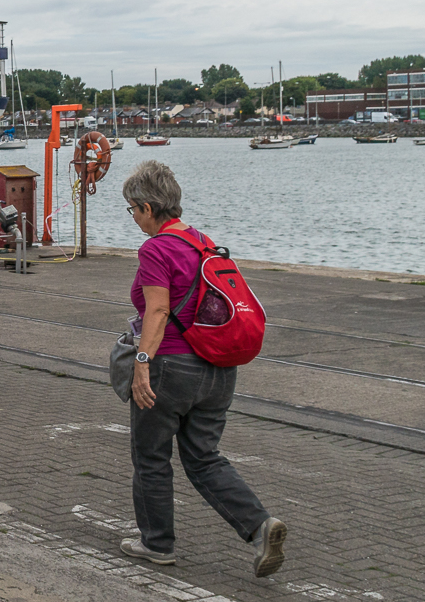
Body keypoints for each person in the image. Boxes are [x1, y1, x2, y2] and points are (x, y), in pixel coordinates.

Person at [119, 160, 287, 578]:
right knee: (204, 458)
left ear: (147, 207)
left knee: (151, 457)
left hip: (171, 368)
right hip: (218, 370)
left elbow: (158, 311)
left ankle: (156, 544)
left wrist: (142, 363)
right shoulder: (203, 242)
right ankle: (260, 527)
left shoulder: (156, 249)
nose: (133, 218)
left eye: (132, 210)